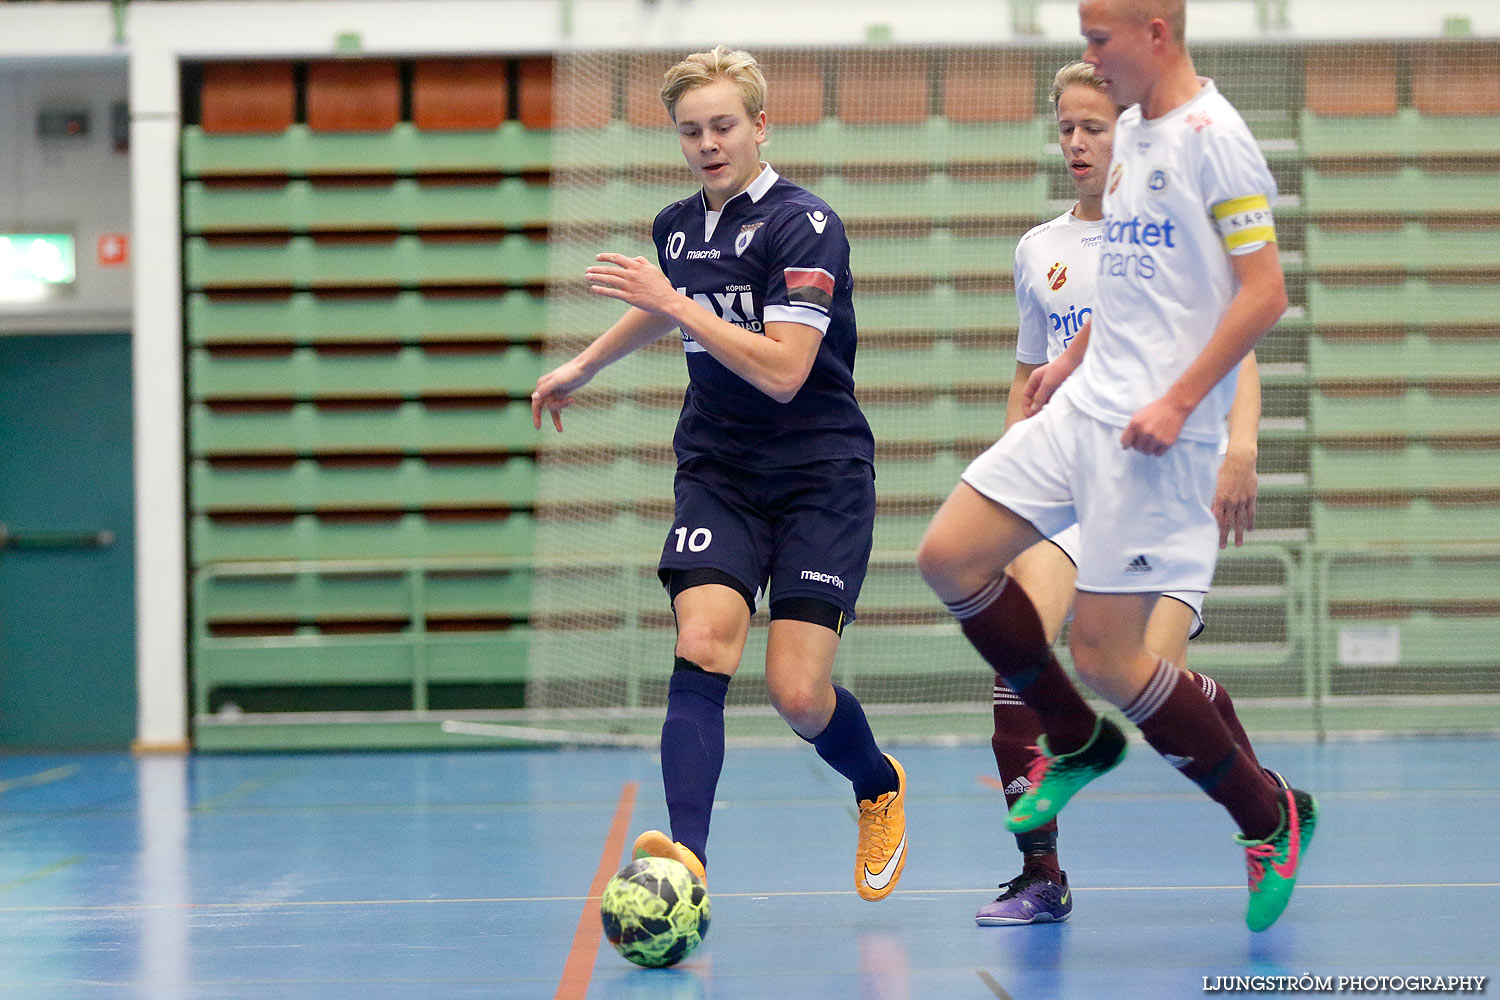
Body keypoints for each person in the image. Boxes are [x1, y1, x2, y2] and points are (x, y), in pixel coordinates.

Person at [917, 0, 1315, 932]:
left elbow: (1265, 297)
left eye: (1101, 39)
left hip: (1160, 441)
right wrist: (1068, 359)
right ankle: (1076, 737)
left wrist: (1182, 403)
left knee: (1106, 653)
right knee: (948, 556)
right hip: (1085, 407)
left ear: (1155, 35)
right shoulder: (1133, 132)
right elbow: (1134, 278)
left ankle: (1269, 817)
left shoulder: (1218, 142)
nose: (1090, 55)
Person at [531, 45, 907, 901]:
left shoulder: (804, 226)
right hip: (720, 471)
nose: (707, 143)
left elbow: (782, 370)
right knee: (701, 642)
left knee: (798, 692)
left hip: (819, 475)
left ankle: (877, 784)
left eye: (724, 126)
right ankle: (685, 862)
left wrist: (670, 301)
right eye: (691, 130)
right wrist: (583, 366)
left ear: (760, 126)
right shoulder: (676, 226)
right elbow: (666, 310)